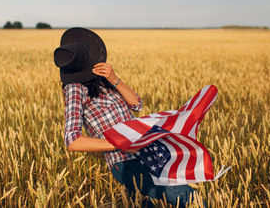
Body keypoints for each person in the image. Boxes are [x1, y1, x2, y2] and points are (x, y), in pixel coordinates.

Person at [54, 27, 197, 207]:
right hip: (125, 163)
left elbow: (137, 105)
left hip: (147, 153)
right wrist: (121, 143)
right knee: (190, 198)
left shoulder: (102, 80)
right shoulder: (75, 89)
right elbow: (72, 141)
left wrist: (114, 78)